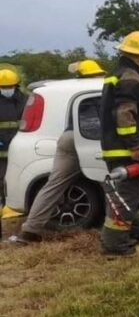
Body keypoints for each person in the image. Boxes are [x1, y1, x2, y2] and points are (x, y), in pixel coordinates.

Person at [10, 60, 106, 245]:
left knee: (54, 185)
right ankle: (123, 227)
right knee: (114, 181)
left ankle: (30, 231)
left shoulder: (73, 90)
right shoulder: (100, 89)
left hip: (68, 139)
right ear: (95, 74)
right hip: (91, 139)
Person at [100, 31, 139, 256]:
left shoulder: (122, 74)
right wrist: (136, 146)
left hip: (116, 145)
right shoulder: (129, 78)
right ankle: (114, 246)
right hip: (123, 148)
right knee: (126, 196)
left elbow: (125, 99)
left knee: (133, 194)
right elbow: (124, 115)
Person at [0, 68, 27, 216]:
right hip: (1, 151)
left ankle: (15, 207)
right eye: (3, 87)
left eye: (9, 86)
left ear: (16, 85)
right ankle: (4, 207)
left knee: (18, 179)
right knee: (2, 179)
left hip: (20, 149)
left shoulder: (25, 100)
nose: (6, 90)